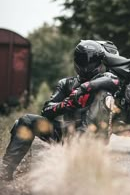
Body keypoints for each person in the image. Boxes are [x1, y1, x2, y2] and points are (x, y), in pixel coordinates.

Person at [0, 40, 120, 181]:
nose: (86, 64)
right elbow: (46, 111)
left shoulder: (107, 80)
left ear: (99, 61)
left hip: (94, 137)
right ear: (77, 61)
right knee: (25, 121)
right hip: (66, 133)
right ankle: (5, 172)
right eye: (83, 59)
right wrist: (68, 103)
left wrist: (83, 89)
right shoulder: (66, 83)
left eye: (90, 60)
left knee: (104, 95)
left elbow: (115, 80)